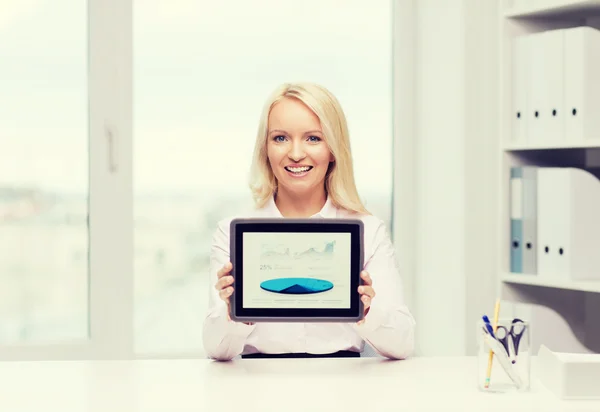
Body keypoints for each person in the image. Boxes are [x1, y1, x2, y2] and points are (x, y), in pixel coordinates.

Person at [202, 82, 416, 361]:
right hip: (256, 387)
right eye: (280, 138)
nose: (295, 153)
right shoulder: (231, 232)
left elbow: (402, 345)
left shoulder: (368, 231)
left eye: (313, 138)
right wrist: (234, 313)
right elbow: (216, 350)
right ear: (265, 148)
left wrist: (367, 311)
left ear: (333, 149)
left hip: (343, 386)